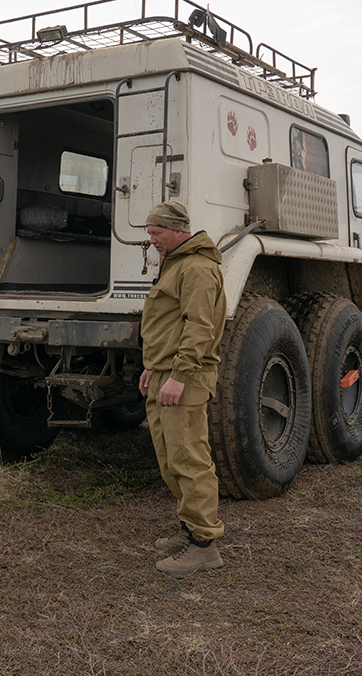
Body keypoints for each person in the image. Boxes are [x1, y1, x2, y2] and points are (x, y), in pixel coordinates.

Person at [138, 200, 227, 574]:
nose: (152, 241)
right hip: (165, 373)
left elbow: (199, 328)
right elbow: (168, 323)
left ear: (176, 229)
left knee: (190, 460)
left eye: (156, 233)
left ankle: (204, 547)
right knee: (169, 458)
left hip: (184, 379)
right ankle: (189, 529)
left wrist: (178, 375)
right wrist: (153, 369)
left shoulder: (198, 268)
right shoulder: (175, 264)